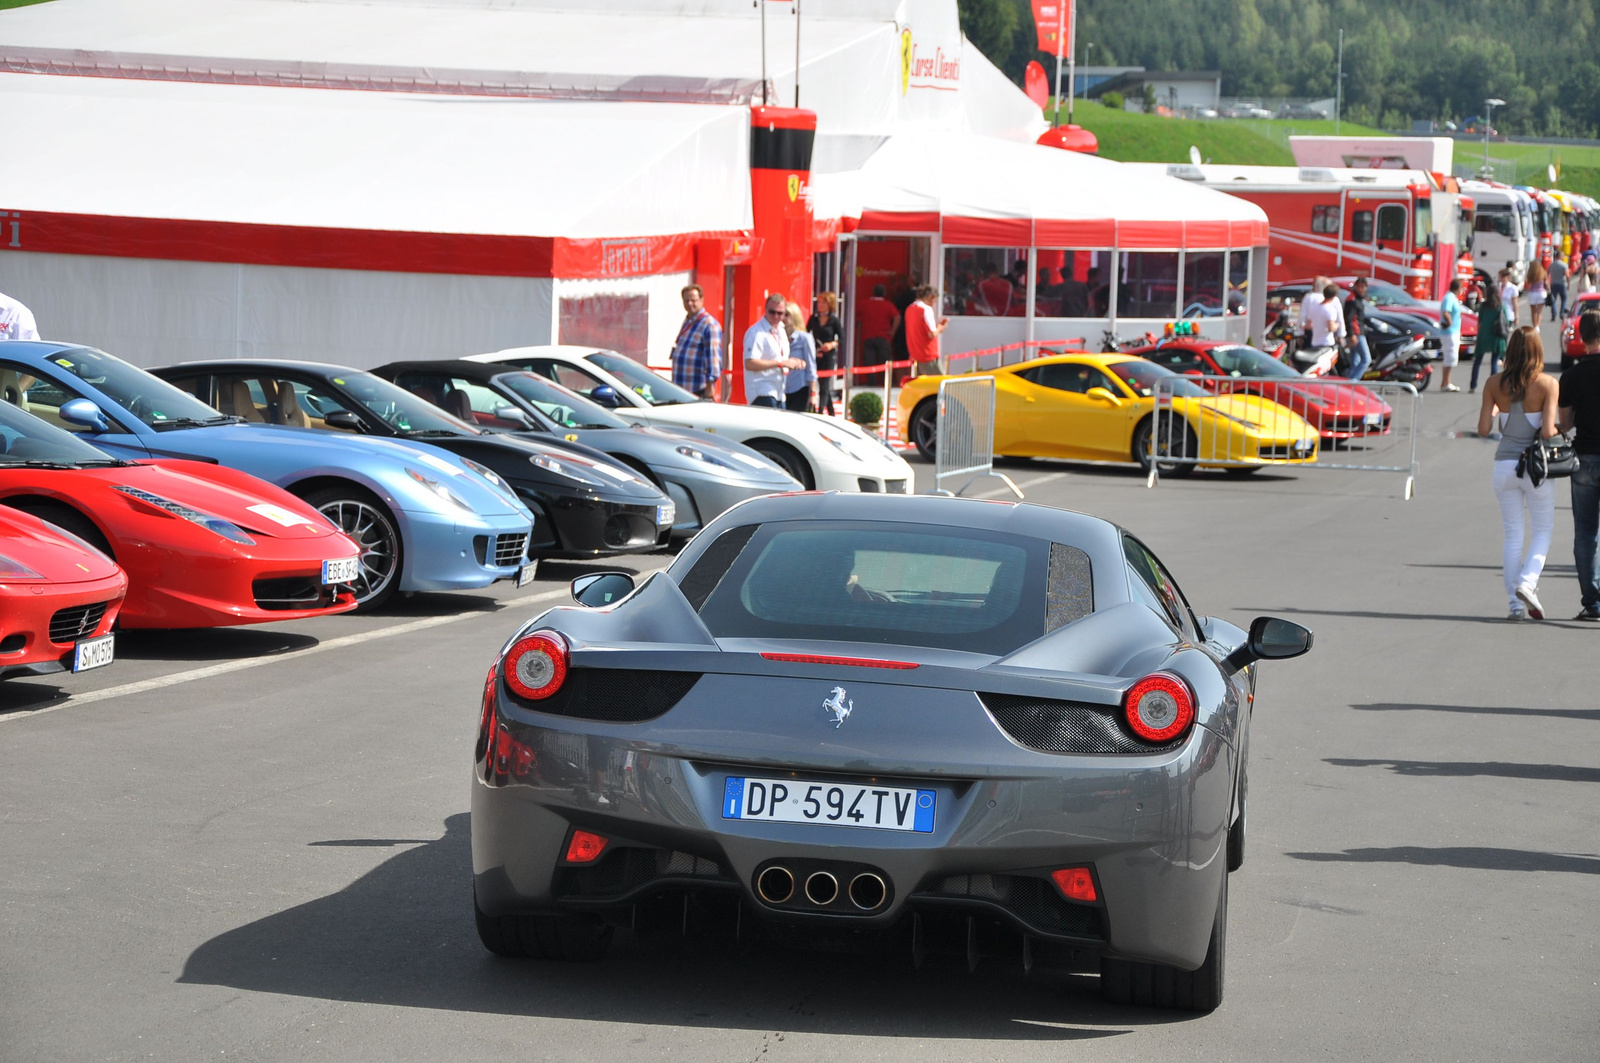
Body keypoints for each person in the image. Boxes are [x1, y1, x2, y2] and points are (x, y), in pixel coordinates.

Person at [1479, 326, 1560, 620]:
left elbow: (1484, 429)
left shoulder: (1493, 383)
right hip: (1534, 468)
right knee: (1543, 530)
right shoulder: (1548, 384)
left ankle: (1515, 606)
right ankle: (1528, 582)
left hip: (1503, 466)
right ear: (1538, 351)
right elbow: (1549, 432)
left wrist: (1502, 409)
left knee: (1513, 534)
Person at [1559, 309, 1600, 620]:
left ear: (1582, 337)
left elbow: (1565, 421)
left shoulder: (1572, 375)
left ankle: (1593, 600)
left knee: (1585, 532)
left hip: (1585, 456)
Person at [743, 293, 801, 408]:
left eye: (780, 313)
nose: (776, 316)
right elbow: (750, 363)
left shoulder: (781, 330)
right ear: (765, 310)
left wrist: (792, 362)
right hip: (762, 392)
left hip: (779, 391)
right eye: (772, 312)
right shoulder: (756, 333)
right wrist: (780, 363)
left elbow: (780, 358)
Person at [668, 284, 722, 401]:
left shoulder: (709, 324)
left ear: (702, 300)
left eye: (693, 300)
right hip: (681, 386)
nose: (690, 304)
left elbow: (713, 358)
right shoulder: (689, 320)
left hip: (698, 389)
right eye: (686, 300)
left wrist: (710, 387)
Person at [807, 291, 841, 416]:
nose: (820, 305)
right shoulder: (814, 318)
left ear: (830, 304)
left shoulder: (834, 320)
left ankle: (819, 412)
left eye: (823, 302)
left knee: (825, 385)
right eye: (819, 302)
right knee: (821, 383)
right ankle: (831, 413)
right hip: (816, 355)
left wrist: (831, 344)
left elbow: (841, 338)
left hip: (829, 356)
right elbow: (806, 333)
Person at [1469, 282, 1508, 393]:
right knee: (1494, 362)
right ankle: (1494, 387)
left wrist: (1478, 335)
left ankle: (1473, 385)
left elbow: (1479, 322)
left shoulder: (1483, 306)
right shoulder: (1500, 306)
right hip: (1496, 336)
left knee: (1477, 361)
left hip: (1484, 336)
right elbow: (1506, 321)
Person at [904, 285, 948, 375]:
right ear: (930, 297)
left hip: (914, 354)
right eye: (934, 301)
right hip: (928, 355)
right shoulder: (926, 309)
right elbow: (932, 334)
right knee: (937, 384)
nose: (934, 304)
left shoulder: (909, 309)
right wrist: (940, 327)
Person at [782, 302, 817, 412]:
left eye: (787, 314)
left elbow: (811, 365)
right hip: (782, 389)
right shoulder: (779, 337)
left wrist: (813, 393)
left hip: (800, 387)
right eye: (782, 314)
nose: (783, 318)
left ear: (794, 316)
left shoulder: (804, 338)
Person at [1305, 281, 1343, 376]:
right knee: (1327, 369)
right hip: (1326, 344)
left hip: (1315, 343)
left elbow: (1309, 325)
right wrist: (1337, 325)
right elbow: (1331, 328)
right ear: (1334, 296)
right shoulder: (1330, 309)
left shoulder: (1314, 307)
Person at [857, 283, 897, 372]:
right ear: (884, 293)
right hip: (884, 336)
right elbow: (897, 316)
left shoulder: (864, 304)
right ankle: (885, 383)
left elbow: (855, 315)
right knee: (885, 364)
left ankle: (872, 383)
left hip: (868, 336)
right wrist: (892, 331)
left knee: (869, 364)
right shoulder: (888, 305)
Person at [1343, 277, 1374, 381]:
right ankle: (1352, 382)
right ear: (1355, 287)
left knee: (1355, 361)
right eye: (1359, 286)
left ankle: (1348, 382)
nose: (1362, 289)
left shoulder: (1359, 299)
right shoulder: (1352, 300)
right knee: (1366, 359)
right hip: (1356, 333)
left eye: (1364, 287)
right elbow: (1348, 319)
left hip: (1359, 332)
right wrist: (1351, 334)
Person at [1438, 277, 1464, 392]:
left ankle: (1446, 382)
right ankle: (1446, 383)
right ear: (1458, 288)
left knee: (1451, 357)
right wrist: (1449, 322)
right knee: (1450, 356)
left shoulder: (1452, 297)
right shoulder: (1449, 298)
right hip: (1449, 332)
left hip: (1453, 331)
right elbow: (1446, 312)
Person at [1524, 259, 1548, 328]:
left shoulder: (1530, 274)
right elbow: (1546, 284)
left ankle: (1535, 325)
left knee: (1533, 311)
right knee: (1539, 311)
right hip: (1541, 293)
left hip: (1532, 293)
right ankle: (1538, 326)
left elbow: (1528, 285)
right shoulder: (1543, 273)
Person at [1548, 255, 1569, 320]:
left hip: (1553, 284)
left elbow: (1548, 274)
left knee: (1553, 300)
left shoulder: (1551, 265)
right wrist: (1568, 284)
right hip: (1562, 284)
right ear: (1560, 256)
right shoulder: (1564, 265)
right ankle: (1562, 313)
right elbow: (1567, 275)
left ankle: (1554, 314)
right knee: (1563, 299)